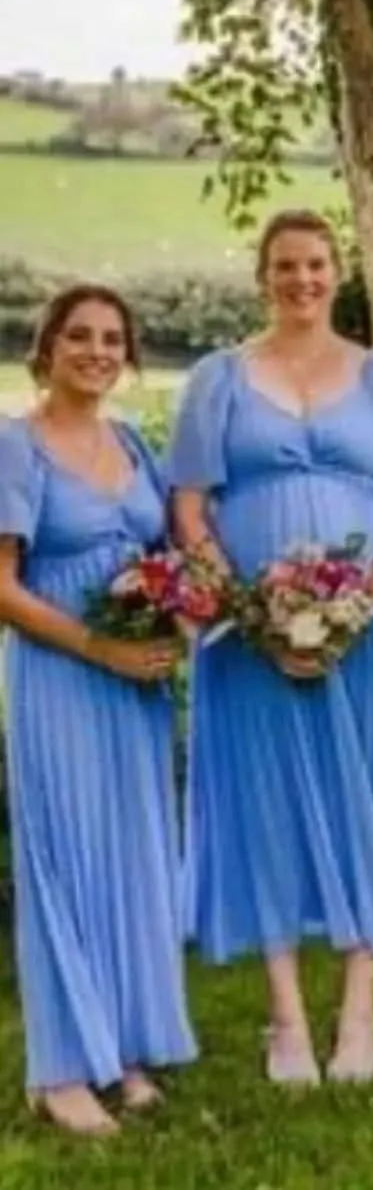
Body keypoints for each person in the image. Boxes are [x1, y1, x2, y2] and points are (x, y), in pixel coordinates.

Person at [169, 209, 373, 1085]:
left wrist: (363, 604)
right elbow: (190, 510)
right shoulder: (218, 380)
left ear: (336, 273)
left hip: (365, 625)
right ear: (263, 276)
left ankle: (360, 1011)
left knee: (368, 792)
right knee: (263, 801)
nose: (302, 280)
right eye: (285, 266)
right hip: (248, 630)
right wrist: (249, 608)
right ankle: (285, 1018)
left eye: (316, 265)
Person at [1, 285, 195, 1134]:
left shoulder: (129, 442)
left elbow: (166, 555)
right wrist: (98, 646)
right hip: (62, 676)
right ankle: (62, 1069)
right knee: (65, 857)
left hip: (136, 686)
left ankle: (124, 1048)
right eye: (78, 336)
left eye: (113, 337)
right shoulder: (15, 446)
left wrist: (179, 618)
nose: (97, 350)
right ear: (46, 347)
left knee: (130, 858)